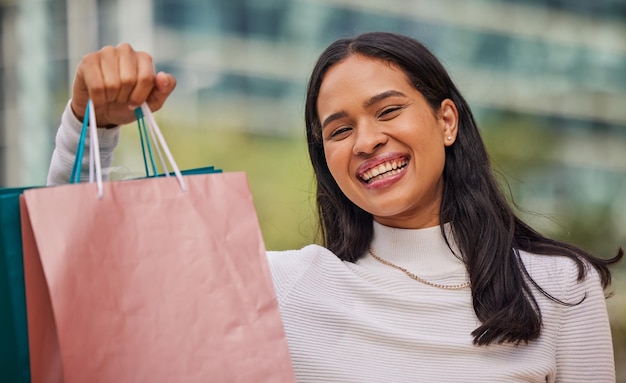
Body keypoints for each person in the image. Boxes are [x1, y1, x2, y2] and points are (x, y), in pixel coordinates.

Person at [47, 32, 622, 382]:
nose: (366, 140)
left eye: (389, 111)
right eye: (339, 129)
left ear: (446, 120)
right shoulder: (285, 288)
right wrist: (93, 127)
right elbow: (87, 284)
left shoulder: (558, 287)